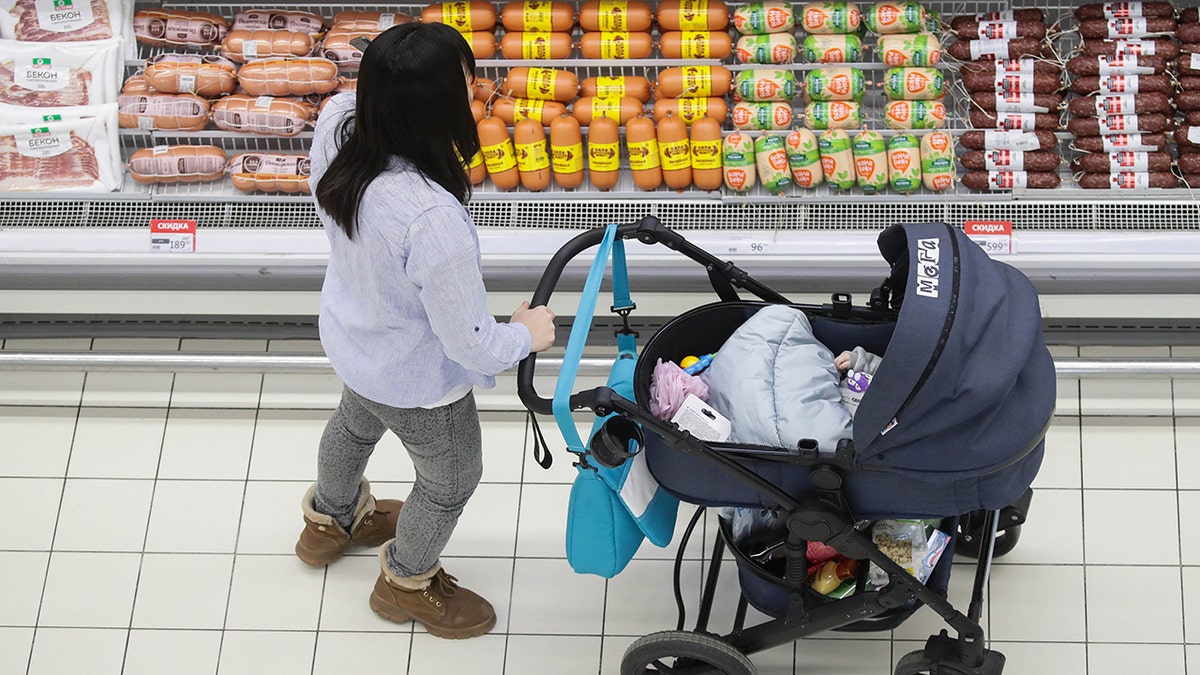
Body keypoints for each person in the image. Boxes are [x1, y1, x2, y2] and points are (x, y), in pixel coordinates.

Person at [294, 22, 556, 639]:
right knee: (450, 479)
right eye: (466, 85)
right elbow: (469, 343)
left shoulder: (337, 126)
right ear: (437, 108)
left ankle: (329, 523)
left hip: (356, 339)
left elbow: (352, 90)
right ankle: (406, 583)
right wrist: (527, 333)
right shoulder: (429, 218)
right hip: (417, 380)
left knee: (354, 425)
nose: (477, 91)